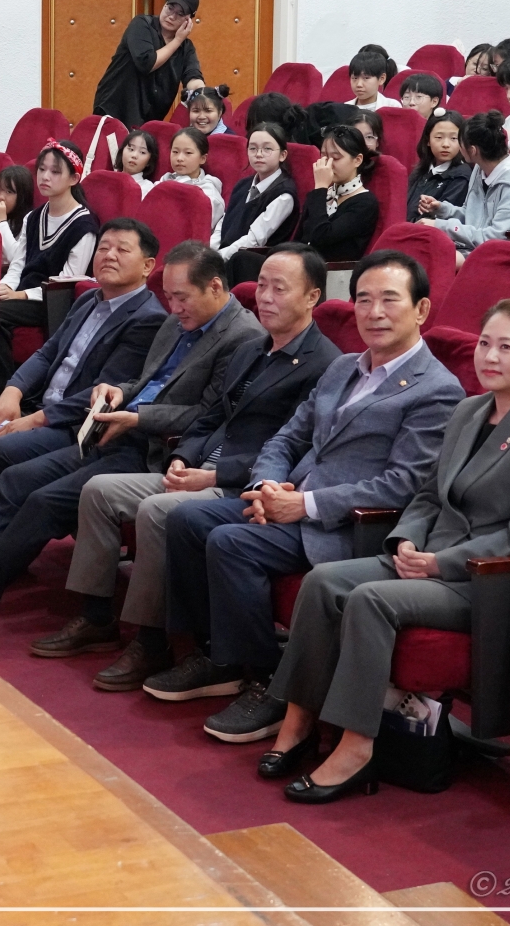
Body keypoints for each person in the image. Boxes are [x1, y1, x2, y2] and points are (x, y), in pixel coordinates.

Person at [265, 300, 510, 798]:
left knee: (370, 599)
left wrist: (439, 562)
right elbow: (429, 495)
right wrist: (407, 539)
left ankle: (356, 747)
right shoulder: (469, 410)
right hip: (423, 556)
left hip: (477, 578)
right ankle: (299, 721)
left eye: (507, 347)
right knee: (324, 580)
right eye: (484, 343)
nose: (490, 357)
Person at [146, 252, 465, 741]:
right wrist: (265, 485)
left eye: (389, 300)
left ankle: (269, 682)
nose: (374, 312)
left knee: (231, 542)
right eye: (363, 300)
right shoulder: (342, 368)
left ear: (421, 309)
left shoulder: (436, 389)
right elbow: (287, 438)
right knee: (187, 521)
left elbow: (402, 484)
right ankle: (218, 660)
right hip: (288, 503)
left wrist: (305, 505)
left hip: (348, 525)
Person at [0, 242, 262, 628]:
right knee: (16, 478)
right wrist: (118, 390)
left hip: (154, 448)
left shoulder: (241, 337)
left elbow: (206, 415)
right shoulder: (176, 319)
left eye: (181, 297)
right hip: (112, 429)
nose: (173, 307)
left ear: (214, 287)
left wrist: (136, 417)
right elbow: (147, 381)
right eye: (170, 297)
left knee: (43, 500)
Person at [35, 247, 341, 687]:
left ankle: (152, 641)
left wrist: (215, 475)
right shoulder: (252, 349)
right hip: (198, 466)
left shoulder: (324, 364)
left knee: (158, 510)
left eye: (280, 289)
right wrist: (185, 456)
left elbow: (296, 449)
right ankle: (97, 617)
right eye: (262, 286)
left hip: (242, 482)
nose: (265, 297)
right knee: (99, 490)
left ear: (312, 297)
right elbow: (210, 417)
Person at [0, 218, 168, 539]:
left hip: (74, 426)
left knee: (2, 449)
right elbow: (47, 354)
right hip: (39, 407)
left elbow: (102, 394)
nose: (109, 255)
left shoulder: (148, 319)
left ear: (147, 266)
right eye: (103, 248)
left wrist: (35, 420)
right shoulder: (87, 300)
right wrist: (12, 393)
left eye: (122, 250)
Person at [0, 139, 98, 398]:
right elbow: (18, 265)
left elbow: (65, 284)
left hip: (52, 302)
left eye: (55, 172)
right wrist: (4, 287)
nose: (45, 177)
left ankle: (2, 393)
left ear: (74, 178)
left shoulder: (84, 226)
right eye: (42, 169)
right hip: (24, 295)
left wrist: (21, 295)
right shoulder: (33, 216)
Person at [420, 111, 510, 256]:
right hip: (474, 248)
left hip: (502, 256)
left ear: (473, 150)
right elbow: (471, 216)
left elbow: (498, 238)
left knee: (436, 257)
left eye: (459, 143)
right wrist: (443, 209)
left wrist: (442, 226)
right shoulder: (480, 169)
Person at [92, 0, 206, 128]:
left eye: (180, 13)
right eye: (170, 8)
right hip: (115, 107)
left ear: (189, 20)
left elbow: (193, 76)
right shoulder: (141, 24)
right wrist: (177, 40)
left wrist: (202, 93)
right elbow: (146, 63)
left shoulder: (186, 48)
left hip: (149, 118)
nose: (172, 16)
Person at [216, 123, 301, 286]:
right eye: (253, 149)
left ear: (282, 155)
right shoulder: (243, 184)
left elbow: (254, 240)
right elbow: (224, 222)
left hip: (255, 263)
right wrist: (211, 251)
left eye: (267, 149)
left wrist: (216, 259)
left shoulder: (284, 195)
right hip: (226, 255)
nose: (259, 154)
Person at [297, 124, 380, 262]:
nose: (327, 164)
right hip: (303, 262)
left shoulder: (365, 203)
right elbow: (300, 238)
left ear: (357, 160)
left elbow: (321, 237)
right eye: (323, 156)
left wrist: (321, 188)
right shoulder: (324, 194)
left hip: (331, 270)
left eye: (335, 158)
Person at [407, 109, 468, 223]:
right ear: (428, 140)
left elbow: (439, 219)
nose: (445, 144)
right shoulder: (421, 170)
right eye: (439, 137)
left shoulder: (461, 177)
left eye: (453, 138)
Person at [158, 127, 226, 227]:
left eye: (188, 153)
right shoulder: (163, 181)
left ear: (203, 158)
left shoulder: (209, 195)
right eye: (175, 152)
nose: (179, 158)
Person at [0, 163, 35, 273]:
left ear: (22, 196)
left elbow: (15, 258)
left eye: (9, 192)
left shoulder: (30, 221)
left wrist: (1, 222)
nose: (0, 197)